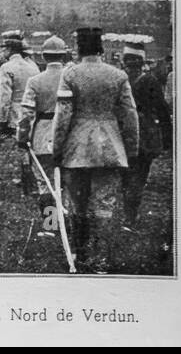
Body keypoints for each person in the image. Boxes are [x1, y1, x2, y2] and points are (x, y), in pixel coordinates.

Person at [51, 27, 140, 270]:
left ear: (79, 48)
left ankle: (81, 256)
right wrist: (131, 148)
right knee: (103, 205)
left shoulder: (70, 74)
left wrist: (56, 148)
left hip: (76, 150)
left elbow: (63, 116)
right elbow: (130, 115)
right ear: (100, 47)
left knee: (78, 205)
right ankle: (100, 258)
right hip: (111, 149)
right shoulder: (119, 75)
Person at [17, 35, 70, 237]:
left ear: (44, 56)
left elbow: (27, 115)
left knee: (45, 182)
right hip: (67, 136)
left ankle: (51, 226)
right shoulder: (71, 77)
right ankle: (68, 222)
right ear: (64, 54)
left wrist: (22, 138)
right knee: (67, 182)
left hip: (43, 136)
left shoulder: (36, 81)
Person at [0, 35, 40, 195]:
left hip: (10, 114)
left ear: (10, 50)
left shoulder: (7, 67)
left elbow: (5, 98)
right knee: (25, 148)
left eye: (4, 49)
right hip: (27, 113)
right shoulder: (33, 67)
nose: (2, 51)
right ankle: (28, 186)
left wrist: (2, 121)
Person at [120, 43, 171, 233]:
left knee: (126, 174)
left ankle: (128, 212)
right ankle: (130, 216)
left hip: (124, 132)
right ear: (142, 62)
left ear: (125, 62)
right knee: (139, 176)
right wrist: (167, 137)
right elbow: (162, 109)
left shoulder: (120, 80)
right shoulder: (150, 81)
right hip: (146, 133)